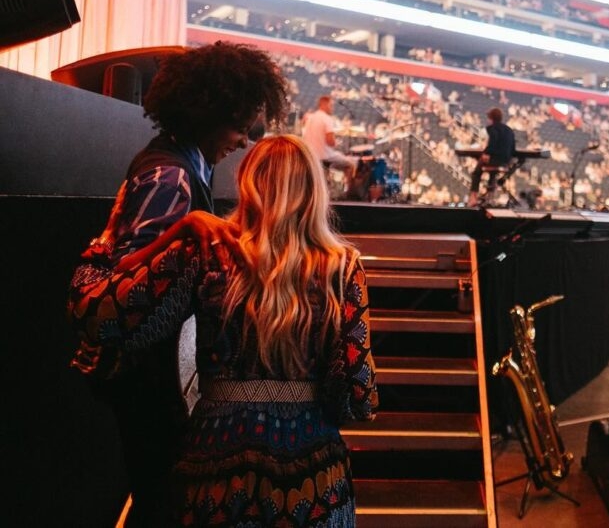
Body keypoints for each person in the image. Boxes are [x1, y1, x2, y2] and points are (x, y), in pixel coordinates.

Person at [69, 136, 378, 526]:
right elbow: (358, 394)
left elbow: (96, 315)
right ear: (315, 191)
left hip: (215, 464)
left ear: (247, 184)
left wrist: (106, 242)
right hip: (313, 474)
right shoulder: (343, 267)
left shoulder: (205, 249)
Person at [72, 41, 289, 527]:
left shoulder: (182, 162)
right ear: (209, 114)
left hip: (150, 376)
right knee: (161, 502)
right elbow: (129, 277)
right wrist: (185, 227)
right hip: (147, 382)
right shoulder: (170, 177)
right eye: (239, 125)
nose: (242, 139)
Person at [468, 107, 516, 206]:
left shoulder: (492, 128)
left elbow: (493, 144)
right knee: (492, 172)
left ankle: (473, 197)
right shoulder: (509, 130)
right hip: (506, 161)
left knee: (477, 172)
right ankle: (490, 195)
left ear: (491, 118)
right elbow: (513, 148)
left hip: (495, 159)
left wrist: (486, 153)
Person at [301, 95, 358, 174]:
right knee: (351, 163)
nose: (332, 108)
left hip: (311, 156)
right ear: (325, 105)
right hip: (325, 156)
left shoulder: (310, 118)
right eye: (331, 105)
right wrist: (336, 143)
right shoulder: (326, 118)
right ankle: (348, 186)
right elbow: (330, 142)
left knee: (339, 156)